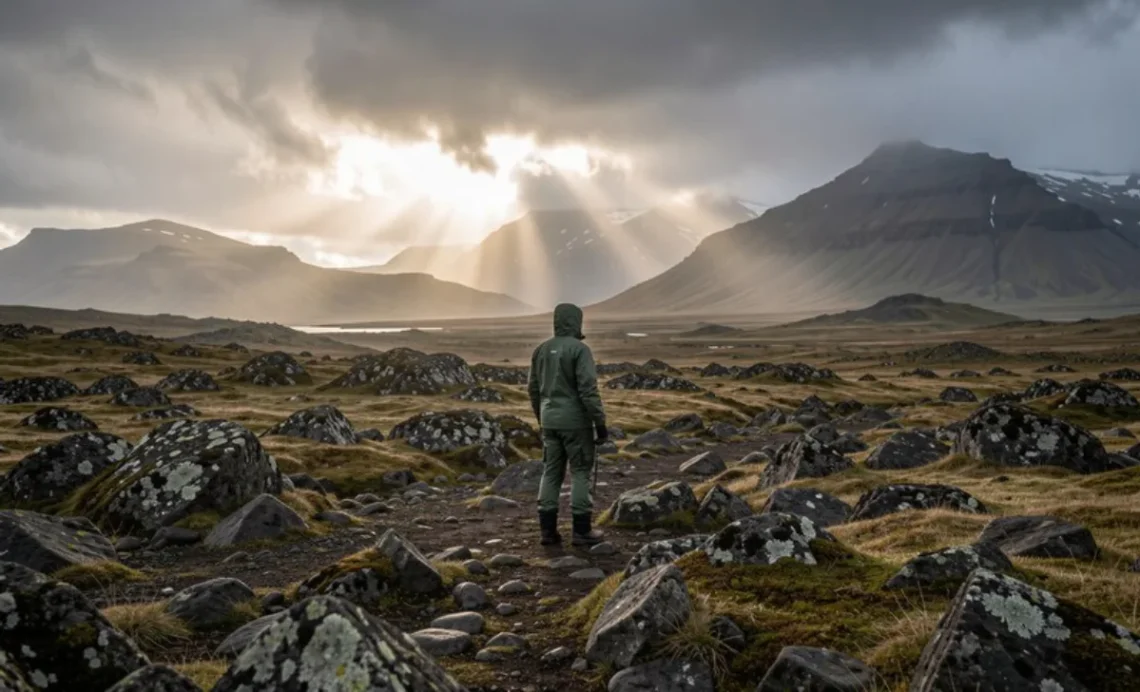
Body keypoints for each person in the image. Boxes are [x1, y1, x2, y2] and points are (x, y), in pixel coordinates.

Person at [527, 303, 607, 547]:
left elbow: (532, 390)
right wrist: (600, 423)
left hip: (549, 421)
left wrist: (542, 419)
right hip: (576, 423)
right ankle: (582, 531)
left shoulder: (541, 350)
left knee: (551, 472)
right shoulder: (580, 350)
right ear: (577, 322)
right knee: (581, 472)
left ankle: (547, 533)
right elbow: (588, 390)